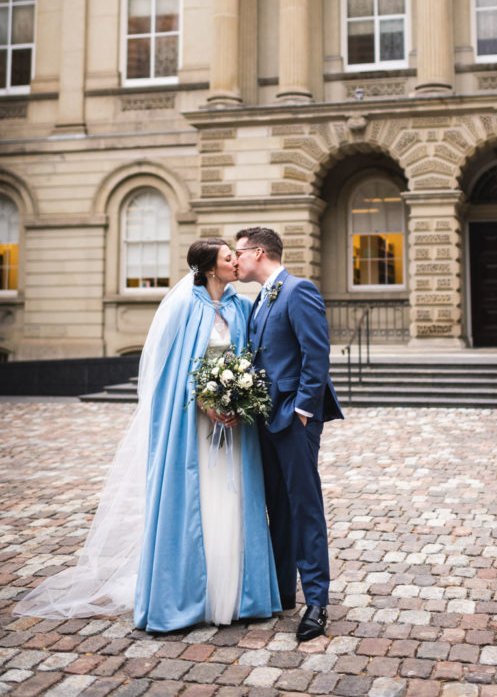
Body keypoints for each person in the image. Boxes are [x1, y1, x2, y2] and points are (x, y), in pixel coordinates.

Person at [14, 238, 280, 632]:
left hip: (235, 425)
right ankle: (189, 594)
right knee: (200, 499)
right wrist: (206, 401)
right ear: (211, 268)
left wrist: (237, 402)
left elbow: (248, 358)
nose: (236, 263)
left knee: (234, 496)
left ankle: (239, 592)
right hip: (194, 424)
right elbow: (169, 370)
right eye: (228, 258)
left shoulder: (241, 307)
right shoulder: (185, 308)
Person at [235, 226, 343, 642]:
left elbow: (316, 353)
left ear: (258, 252)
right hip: (264, 419)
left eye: (239, 253)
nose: (236, 260)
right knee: (276, 507)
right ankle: (282, 592)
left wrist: (301, 411)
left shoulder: (299, 290)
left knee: (304, 507)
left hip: (292, 420)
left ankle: (316, 602)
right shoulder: (260, 298)